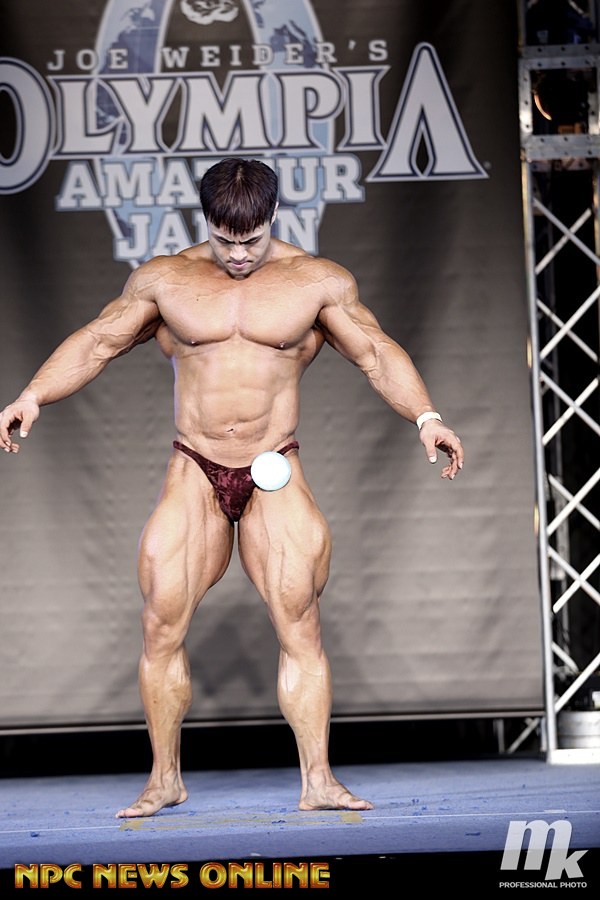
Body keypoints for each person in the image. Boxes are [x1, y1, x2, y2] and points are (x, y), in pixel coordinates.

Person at [0, 157, 464, 818]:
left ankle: (318, 781)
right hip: (196, 462)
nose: (238, 254)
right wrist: (33, 395)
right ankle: (164, 778)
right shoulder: (165, 280)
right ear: (206, 223)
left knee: (300, 620)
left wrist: (427, 417)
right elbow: (99, 341)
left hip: (274, 462)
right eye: (224, 240)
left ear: (272, 218)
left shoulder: (317, 282)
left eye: (251, 239)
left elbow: (375, 351)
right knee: (160, 619)